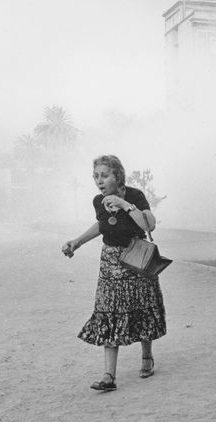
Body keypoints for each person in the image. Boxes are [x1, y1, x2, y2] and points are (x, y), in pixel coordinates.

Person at [61, 155, 166, 391]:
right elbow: (102, 225)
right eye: (96, 176)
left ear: (117, 176)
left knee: (142, 308)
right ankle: (109, 375)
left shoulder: (135, 195)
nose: (99, 180)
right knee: (109, 312)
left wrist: (124, 205)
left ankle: (147, 356)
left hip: (136, 259)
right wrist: (77, 242)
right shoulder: (98, 201)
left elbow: (148, 225)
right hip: (110, 262)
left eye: (104, 175)